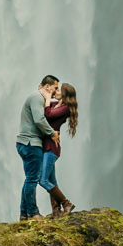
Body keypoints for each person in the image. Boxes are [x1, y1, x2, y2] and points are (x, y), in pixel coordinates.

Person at [16, 75, 60, 220]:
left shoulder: (38, 97)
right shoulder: (36, 98)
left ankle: (24, 214)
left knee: (29, 178)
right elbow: (39, 119)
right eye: (55, 88)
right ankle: (33, 213)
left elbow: (51, 110)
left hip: (26, 143)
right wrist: (52, 133)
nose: (55, 91)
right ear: (47, 87)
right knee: (33, 179)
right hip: (30, 143)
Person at [42, 82, 79, 216]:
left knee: (43, 180)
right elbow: (44, 108)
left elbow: (48, 114)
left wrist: (47, 98)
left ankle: (66, 203)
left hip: (52, 148)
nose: (56, 91)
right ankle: (56, 211)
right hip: (46, 146)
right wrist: (44, 91)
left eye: (59, 90)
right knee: (52, 181)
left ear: (64, 95)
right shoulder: (56, 105)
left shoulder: (65, 108)